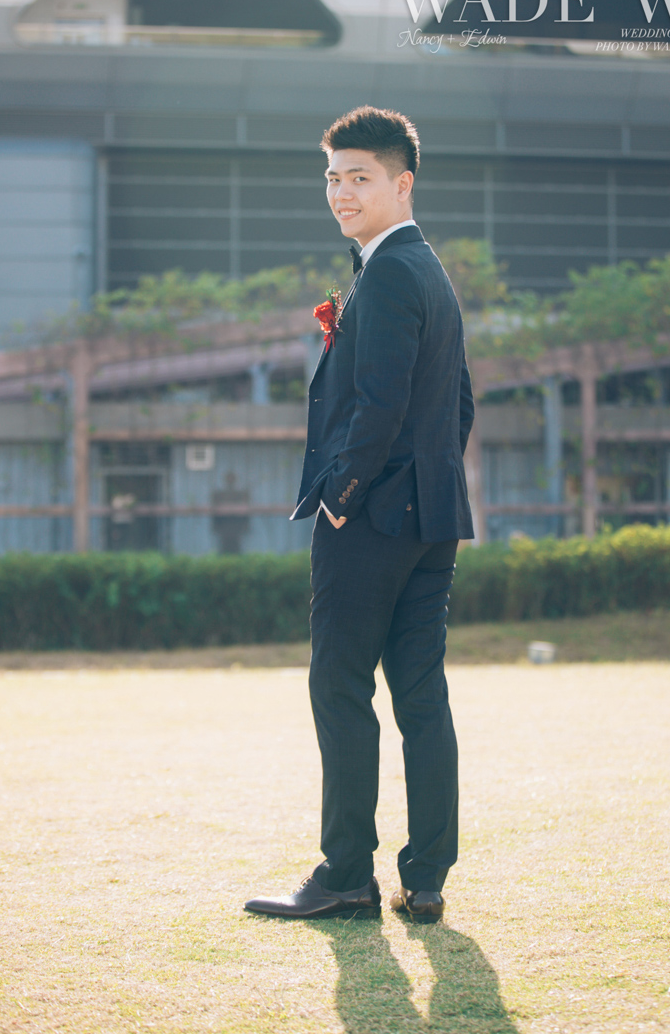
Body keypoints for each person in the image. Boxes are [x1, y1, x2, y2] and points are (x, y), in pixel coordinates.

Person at [245, 106, 474, 924]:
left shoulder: (390, 273)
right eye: (333, 178)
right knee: (420, 694)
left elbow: (378, 406)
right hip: (432, 518)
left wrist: (342, 498)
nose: (342, 192)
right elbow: (458, 402)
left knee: (339, 686)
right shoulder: (428, 270)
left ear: (401, 183)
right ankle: (428, 877)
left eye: (360, 177)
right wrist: (430, 485)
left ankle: (346, 874)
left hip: (371, 520)